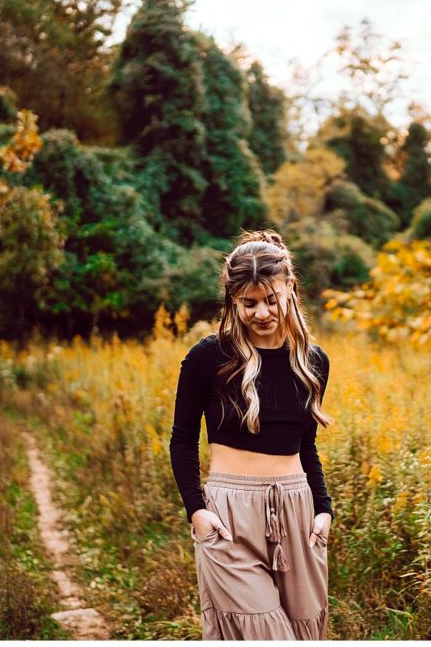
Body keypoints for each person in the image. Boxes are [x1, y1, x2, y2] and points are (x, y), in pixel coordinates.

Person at [169, 229, 334, 640]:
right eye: (249, 303)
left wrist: (324, 509)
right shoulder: (208, 357)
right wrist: (197, 511)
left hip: (298, 509)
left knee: (302, 633)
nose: (261, 312)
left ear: (290, 289)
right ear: (233, 301)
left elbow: (306, 446)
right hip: (229, 515)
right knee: (263, 634)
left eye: (271, 300)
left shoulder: (313, 361)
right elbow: (183, 438)